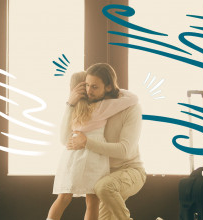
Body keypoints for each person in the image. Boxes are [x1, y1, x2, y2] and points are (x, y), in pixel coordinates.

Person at [47, 71, 138, 220]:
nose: (90, 89)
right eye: (88, 85)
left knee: (63, 198)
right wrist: (111, 89)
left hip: (73, 157)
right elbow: (133, 98)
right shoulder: (101, 108)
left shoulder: (72, 109)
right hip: (94, 158)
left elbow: (63, 139)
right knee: (93, 201)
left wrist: (70, 101)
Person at [66, 63, 147, 220]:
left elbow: (125, 151)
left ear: (108, 87)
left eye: (95, 87)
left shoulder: (131, 108)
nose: (89, 91)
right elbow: (65, 138)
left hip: (131, 170)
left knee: (103, 187)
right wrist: (70, 103)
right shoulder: (93, 107)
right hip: (104, 175)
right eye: (87, 85)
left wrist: (86, 142)